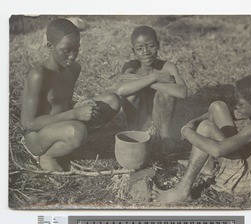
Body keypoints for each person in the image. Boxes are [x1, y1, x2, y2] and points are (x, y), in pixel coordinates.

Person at [152, 74, 251, 202]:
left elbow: (218, 151)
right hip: (244, 163)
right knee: (217, 106)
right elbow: (217, 111)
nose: (236, 105)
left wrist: (186, 131)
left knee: (205, 128)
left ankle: (182, 191)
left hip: (247, 180)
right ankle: (208, 166)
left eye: (241, 103)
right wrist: (193, 122)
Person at [21, 18, 121, 172]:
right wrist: (75, 113)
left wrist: (78, 105)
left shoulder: (74, 68)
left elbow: (61, 102)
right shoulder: (39, 75)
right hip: (38, 136)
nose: (73, 55)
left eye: (77, 48)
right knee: (78, 131)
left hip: (65, 122)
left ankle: (71, 147)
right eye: (66, 50)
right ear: (49, 46)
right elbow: (28, 124)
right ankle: (49, 156)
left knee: (112, 100)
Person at [115, 25, 187, 155]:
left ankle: (165, 136)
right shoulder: (132, 67)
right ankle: (134, 132)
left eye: (150, 46)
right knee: (132, 91)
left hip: (160, 121)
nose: (146, 52)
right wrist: (155, 77)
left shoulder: (167, 67)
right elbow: (121, 90)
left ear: (158, 45)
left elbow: (182, 92)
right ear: (133, 51)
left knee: (166, 91)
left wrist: (149, 82)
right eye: (139, 49)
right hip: (139, 120)